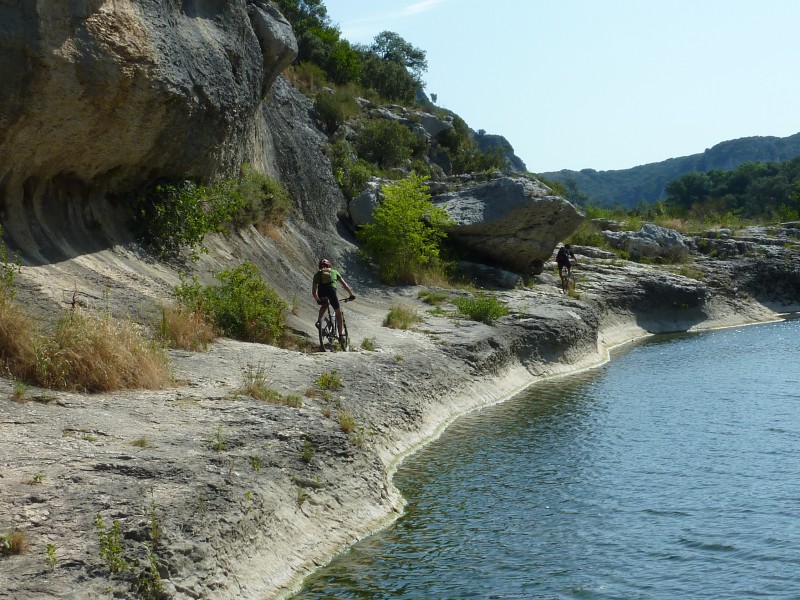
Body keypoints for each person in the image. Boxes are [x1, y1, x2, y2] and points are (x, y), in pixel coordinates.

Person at [312, 258, 355, 345]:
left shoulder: (317, 274)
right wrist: (351, 294)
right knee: (338, 312)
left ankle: (319, 321)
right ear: (329, 265)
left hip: (321, 292)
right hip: (331, 291)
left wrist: (317, 299)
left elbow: (314, 291)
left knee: (324, 305)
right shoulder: (334, 272)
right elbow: (345, 285)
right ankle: (341, 335)